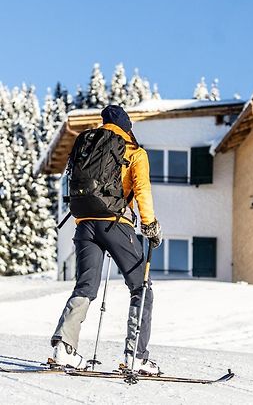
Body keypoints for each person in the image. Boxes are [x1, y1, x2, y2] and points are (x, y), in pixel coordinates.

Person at [51, 105, 162, 374]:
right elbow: (142, 189)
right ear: (127, 127)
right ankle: (136, 356)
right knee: (141, 287)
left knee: (86, 286)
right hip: (115, 223)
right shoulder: (133, 151)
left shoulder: (87, 146)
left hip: (84, 224)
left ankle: (64, 348)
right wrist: (150, 225)